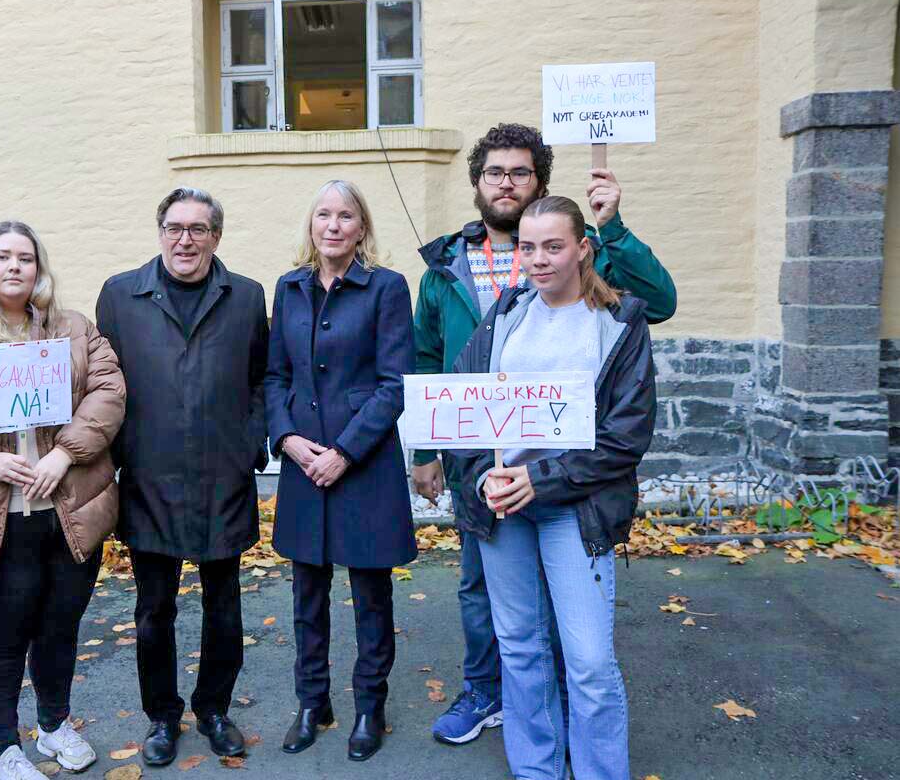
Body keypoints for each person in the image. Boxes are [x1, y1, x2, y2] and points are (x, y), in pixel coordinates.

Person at [412, 123, 676, 745]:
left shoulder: (583, 252)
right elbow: (428, 360)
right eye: (494, 173)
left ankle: (562, 703)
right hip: (481, 460)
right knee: (483, 591)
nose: (506, 183)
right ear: (477, 182)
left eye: (520, 173)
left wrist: (613, 227)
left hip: (567, 473)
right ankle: (486, 692)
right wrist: (429, 451)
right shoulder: (444, 265)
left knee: (568, 609)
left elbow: (658, 302)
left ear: (540, 184)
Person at [455, 194, 656, 780]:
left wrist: (539, 481)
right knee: (520, 647)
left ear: (582, 249)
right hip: (503, 506)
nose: (538, 259)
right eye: (527, 247)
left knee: (589, 661)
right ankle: (536, 769)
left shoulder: (617, 322)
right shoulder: (508, 312)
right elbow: (464, 402)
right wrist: (482, 475)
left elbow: (625, 436)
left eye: (553, 246)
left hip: (575, 508)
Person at [0, 221, 126, 780]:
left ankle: (54, 725)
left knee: (60, 628)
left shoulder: (72, 329)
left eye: (26, 257)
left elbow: (109, 391)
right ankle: (3, 750)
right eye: (3, 256)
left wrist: (65, 453)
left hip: (68, 511)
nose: (14, 266)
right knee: (1, 637)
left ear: (39, 268)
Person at [95, 187, 269, 768]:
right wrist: (119, 454)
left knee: (224, 605)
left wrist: (250, 445)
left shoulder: (246, 297)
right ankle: (162, 716)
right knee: (153, 610)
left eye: (198, 229)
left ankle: (214, 709)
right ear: (160, 232)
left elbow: (260, 378)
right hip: (151, 478)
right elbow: (105, 382)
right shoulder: (121, 295)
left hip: (224, 476)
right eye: (174, 227)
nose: (185, 240)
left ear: (216, 236)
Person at [266, 180, 417, 762]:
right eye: (324, 215)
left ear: (362, 228)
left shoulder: (386, 287)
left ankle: (370, 706)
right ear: (311, 225)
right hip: (303, 460)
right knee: (307, 592)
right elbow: (276, 376)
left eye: (346, 216)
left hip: (365, 463)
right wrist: (288, 439)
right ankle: (313, 703)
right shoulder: (290, 287)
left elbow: (394, 384)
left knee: (371, 594)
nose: (333, 225)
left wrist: (345, 452)